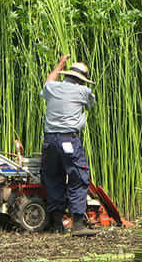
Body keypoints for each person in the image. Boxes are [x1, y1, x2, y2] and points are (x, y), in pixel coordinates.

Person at [40, 54, 99, 237]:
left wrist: (59, 64)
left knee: (53, 178)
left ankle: (57, 224)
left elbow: (48, 81)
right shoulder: (84, 92)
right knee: (78, 177)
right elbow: (91, 105)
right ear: (81, 81)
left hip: (50, 141)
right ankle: (78, 224)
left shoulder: (52, 88)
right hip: (69, 141)